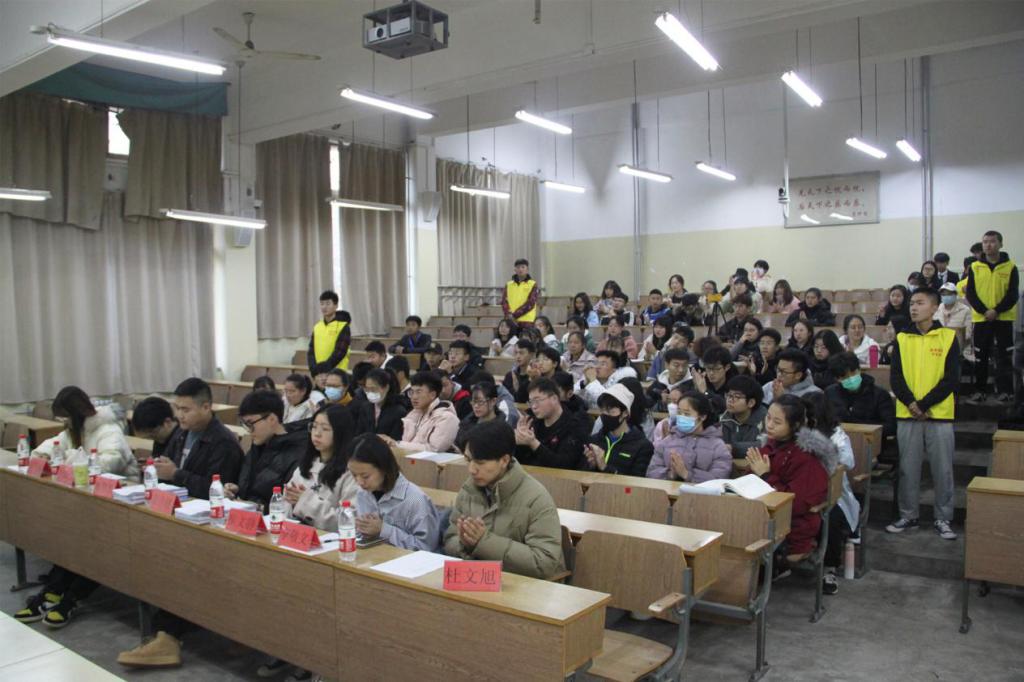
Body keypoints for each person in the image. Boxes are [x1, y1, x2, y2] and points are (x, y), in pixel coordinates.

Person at [15, 385, 139, 628]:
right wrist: (44, 454)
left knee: (91, 547)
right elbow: (52, 445)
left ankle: (71, 598)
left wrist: (72, 459)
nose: (63, 423)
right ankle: (52, 592)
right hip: (89, 500)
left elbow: (109, 463)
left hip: (120, 501)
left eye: (65, 418)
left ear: (76, 413)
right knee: (72, 541)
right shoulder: (75, 429)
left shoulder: (108, 429)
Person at [444, 419, 565, 579]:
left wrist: (483, 542)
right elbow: (450, 538)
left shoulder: (536, 499)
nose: (472, 469)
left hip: (525, 587)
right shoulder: (468, 490)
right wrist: (465, 545)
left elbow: (544, 562)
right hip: (479, 579)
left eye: (480, 462)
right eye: (468, 459)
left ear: (504, 460)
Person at [885, 289, 960, 540]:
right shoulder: (902, 338)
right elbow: (896, 377)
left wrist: (925, 404)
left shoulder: (948, 337)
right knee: (908, 469)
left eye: (920, 303)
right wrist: (911, 403)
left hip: (939, 415)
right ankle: (909, 515)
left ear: (934, 307)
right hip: (907, 414)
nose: (914, 308)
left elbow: (951, 378)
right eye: (912, 303)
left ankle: (943, 518)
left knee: (943, 470)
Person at [745, 395, 836, 563]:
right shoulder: (770, 445)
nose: (769, 425)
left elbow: (796, 504)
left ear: (795, 425)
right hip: (762, 515)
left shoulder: (806, 457)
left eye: (777, 422)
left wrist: (765, 475)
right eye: (768, 418)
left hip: (792, 526)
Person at [802, 392, 859, 595]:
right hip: (803, 491)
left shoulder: (836, 434)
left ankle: (829, 569)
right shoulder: (796, 432)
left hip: (833, 495)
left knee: (830, 518)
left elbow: (848, 461)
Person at [155, 378, 242, 499]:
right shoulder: (180, 433)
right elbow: (167, 469)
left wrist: (175, 474)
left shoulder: (224, 442)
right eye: (177, 408)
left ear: (206, 407)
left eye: (185, 410)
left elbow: (218, 489)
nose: (179, 415)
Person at [350, 433, 440, 551]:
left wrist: (384, 530)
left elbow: (426, 548)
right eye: (354, 475)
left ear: (384, 468)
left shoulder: (416, 500)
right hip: (371, 557)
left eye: (365, 476)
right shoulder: (362, 493)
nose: (359, 482)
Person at [227, 390, 305, 510]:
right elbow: (254, 488)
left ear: (272, 419)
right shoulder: (257, 446)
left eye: (251, 424)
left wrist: (255, 507)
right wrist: (237, 490)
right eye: (246, 425)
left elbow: (287, 504)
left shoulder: (297, 453)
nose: (249, 430)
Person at [965, 229, 1019, 403]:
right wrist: (984, 311)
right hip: (981, 319)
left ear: (1001, 244)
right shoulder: (975, 267)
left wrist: (996, 310)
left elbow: (1013, 295)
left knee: (1004, 357)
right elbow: (971, 293)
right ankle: (980, 391)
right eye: (985, 242)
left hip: (1003, 319)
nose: (988, 245)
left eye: (992, 241)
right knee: (980, 356)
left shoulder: (1011, 267)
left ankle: (1006, 392)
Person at [286, 405, 359, 530]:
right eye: (314, 427)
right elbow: (285, 502)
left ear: (341, 433)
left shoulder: (352, 472)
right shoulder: (307, 464)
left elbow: (348, 520)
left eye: (325, 429)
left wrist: (306, 502)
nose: (317, 434)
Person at [647, 391, 732, 482]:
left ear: (702, 416)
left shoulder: (717, 446)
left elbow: (719, 479)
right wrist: (671, 474)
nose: (681, 417)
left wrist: (687, 474)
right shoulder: (667, 441)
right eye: (679, 413)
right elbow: (651, 472)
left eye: (687, 414)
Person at [825, 352, 896, 452]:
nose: (850, 378)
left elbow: (891, 426)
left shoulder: (879, 394)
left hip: (870, 446)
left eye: (853, 373)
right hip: (837, 447)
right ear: (837, 379)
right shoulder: (830, 393)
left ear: (859, 370)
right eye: (845, 377)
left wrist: (859, 426)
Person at [514, 378, 589, 469]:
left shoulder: (574, 426)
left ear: (554, 398)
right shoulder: (533, 423)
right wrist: (520, 442)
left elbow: (564, 465)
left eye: (537, 400)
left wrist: (534, 443)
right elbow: (521, 461)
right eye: (531, 402)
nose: (533, 406)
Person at [582, 384, 654, 477]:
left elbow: (635, 482)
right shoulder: (594, 440)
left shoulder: (642, 446)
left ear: (625, 413)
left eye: (611, 411)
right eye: (603, 410)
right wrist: (591, 465)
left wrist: (605, 467)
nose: (605, 415)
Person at [382, 371, 459, 453]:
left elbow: (434, 449)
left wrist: (397, 444)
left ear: (432, 395)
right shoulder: (414, 414)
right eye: (412, 392)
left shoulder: (446, 418)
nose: (414, 397)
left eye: (419, 392)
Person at [308, 290, 352, 385]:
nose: (324, 307)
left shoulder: (343, 326)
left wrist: (325, 369)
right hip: (319, 375)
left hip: (337, 374)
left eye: (328, 304)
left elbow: (340, 352)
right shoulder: (317, 326)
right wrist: (314, 370)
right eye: (322, 304)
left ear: (336, 306)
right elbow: (311, 350)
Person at [719, 376, 768, 458]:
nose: (730, 400)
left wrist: (733, 448)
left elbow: (763, 445)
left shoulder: (765, 419)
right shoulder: (724, 419)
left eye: (737, 397)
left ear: (751, 402)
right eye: (729, 395)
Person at [355, 368, 408, 440]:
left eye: (373, 389)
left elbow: (396, 439)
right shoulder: (365, 407)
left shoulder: (399, 412)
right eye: (367, 389)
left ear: (386, 388)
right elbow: (359, 434)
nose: (370, 392)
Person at [454, 382, 505, 451]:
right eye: (473, 401)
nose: (476, 406)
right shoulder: (467, 422)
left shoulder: (501, 428)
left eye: (480, 402)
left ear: (493, 401)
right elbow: (457, 443)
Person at [692, 345, 736, 414]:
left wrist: (705, 392)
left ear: (727, 367)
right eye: (708, 368)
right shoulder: (701, 381)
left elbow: (725, 407)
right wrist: (695, 388)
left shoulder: (734, 385)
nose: (711, 373)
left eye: (717, 369)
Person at [647, 347, 694, 412]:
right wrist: (662, 402)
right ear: (666, 365)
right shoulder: (659, 383)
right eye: (676, 365)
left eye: (684, 366)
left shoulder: (692, 385)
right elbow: (647, 405)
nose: (681, 370)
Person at [934, 282, 973, 354]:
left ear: (955, 294)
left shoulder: (965, 310)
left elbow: (968, 333)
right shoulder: (937, 308)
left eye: (949, 294)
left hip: (958, 347)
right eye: (943, 294)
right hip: (939, 347)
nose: (946, 296)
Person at [501, 258, 540, 327]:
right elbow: (504, 301)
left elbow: (531, 303)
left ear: (527, 269)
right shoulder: (508, 284)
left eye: (523, 267)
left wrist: (514, 315)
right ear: (515, 270)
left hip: (527, 320)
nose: (520, 269)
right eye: (518, 267)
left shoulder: (533, 284)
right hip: (510, 320)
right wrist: (509, 315)